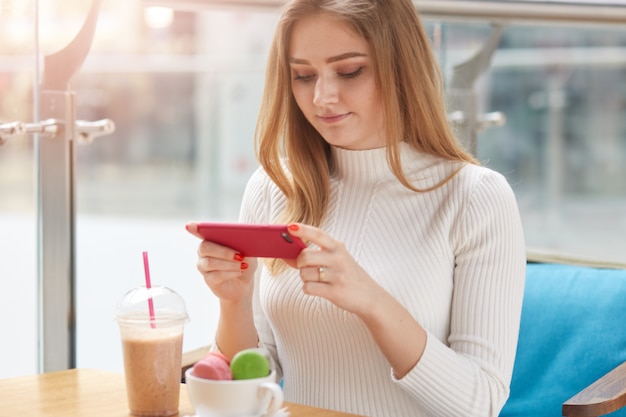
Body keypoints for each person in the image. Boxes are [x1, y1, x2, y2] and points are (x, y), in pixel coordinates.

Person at [186, 0, 526, 416]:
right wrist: (233, 302)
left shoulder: (476, 198)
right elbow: (258, 379)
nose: (322, 96)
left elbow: (480, 404)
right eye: (303, 76)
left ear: (401, 67)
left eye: (349, 71)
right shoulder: (273, 189)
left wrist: (370, 300)